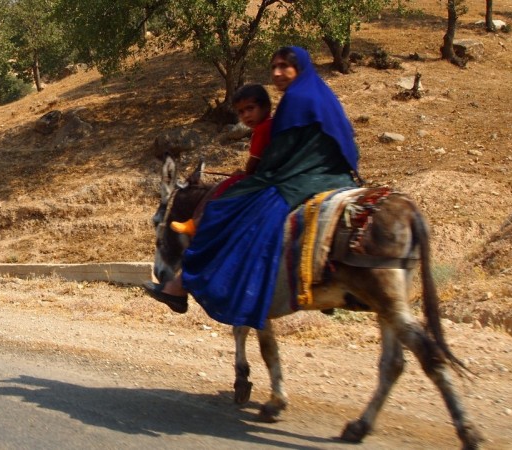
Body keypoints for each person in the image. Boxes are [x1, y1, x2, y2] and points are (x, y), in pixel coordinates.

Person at [144, 46, 360, 329]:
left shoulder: (295, 98)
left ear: (300, 67)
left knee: (226, 209)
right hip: (337, 176)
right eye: (273, 67)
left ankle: (188, 284)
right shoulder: (321, 93)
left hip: (305, 178)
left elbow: (278, 156)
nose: (277, 73)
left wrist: (258, 175)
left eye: (285, 66)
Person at [171, 83, 273, 236]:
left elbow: (254, 161)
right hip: (266, 173)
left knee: (223, 188)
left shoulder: (262, 130)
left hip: (260, 177)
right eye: (241, 112)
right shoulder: (270, 125)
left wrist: (244, 174)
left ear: (266, 107)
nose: (246, 115)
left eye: (250, 109)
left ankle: (198, 222)